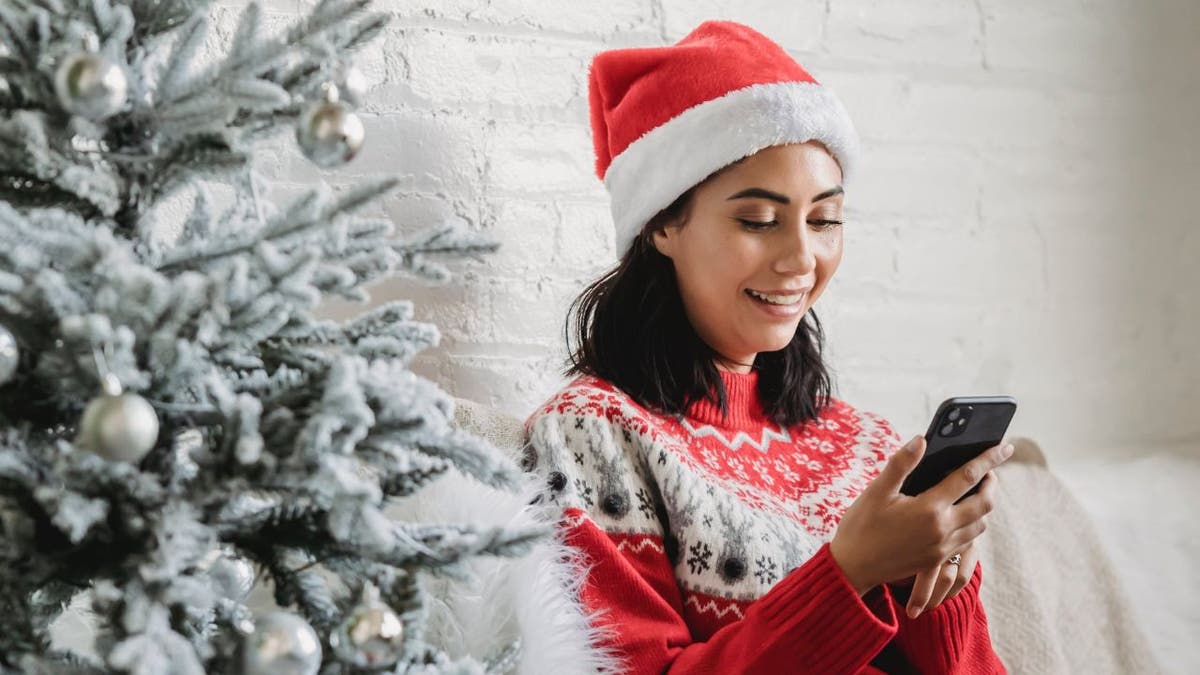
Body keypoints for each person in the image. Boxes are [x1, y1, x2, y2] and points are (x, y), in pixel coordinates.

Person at [522, 20, 1011, 674]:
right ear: (663, 221)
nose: (802, 258)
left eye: (825, 220)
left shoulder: (867, 447)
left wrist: (937, 584)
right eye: (758, 220)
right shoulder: (592, 437)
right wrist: (850, 571)